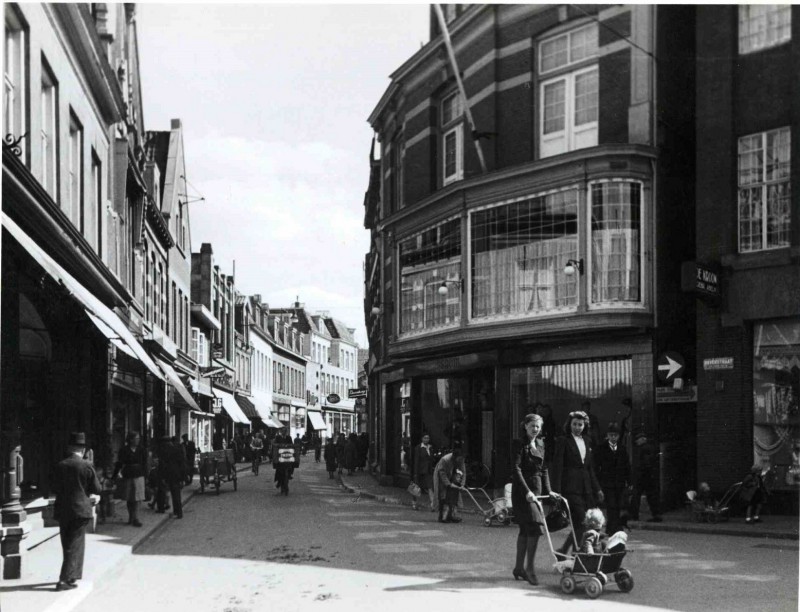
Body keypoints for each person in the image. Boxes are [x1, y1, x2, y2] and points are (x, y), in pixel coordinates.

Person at [511, 414, 561, 586]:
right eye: (532, 426)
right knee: (536, 528)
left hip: (537, 489)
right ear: (525, 426)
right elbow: (516, 469)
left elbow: (544, 469)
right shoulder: (519, 444)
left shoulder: (540, 443)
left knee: (525, 529)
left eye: (538, 427)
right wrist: (526, 492)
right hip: (522, 491)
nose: (535, 429)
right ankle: (530, 569)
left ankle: (518, 568)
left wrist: (549, 490)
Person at [550, 411, 604, 555]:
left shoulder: (587, 440)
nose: (577, 427)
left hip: (586, 488)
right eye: (574, 424)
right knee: (581, 520)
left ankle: (565, 550)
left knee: (586, 522)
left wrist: (597, 488)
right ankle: (577, 552)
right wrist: (556, 490)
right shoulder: (563, 440)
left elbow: (589, 467)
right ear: (569, 424)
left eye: (580, 424)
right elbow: (558, 466)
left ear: (585, 425)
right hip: (570, 487)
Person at [52, 432, 101, 591]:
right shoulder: (86, 465)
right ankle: (64, 579)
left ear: (69, 448)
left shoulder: (61, 465)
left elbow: (54, 487)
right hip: (80, 510)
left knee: (67, 544)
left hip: (63, 509)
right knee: (76, 545)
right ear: (84, 449)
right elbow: (96, 488)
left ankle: (72, 576)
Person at [594, 422, 630, 534]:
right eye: (611, 435)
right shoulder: (601, 448)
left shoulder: (622, 449)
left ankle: (612, 527)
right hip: (607, 482)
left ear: (619, 436)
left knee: (618, 505)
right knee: (611, 505)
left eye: (615, 435)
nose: (613, 437)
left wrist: (629, 480)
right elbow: (596, 465)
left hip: (619, 482)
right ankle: (613, 528)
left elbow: (626, 465)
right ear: (607, 435)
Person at [113, 431, 148, 527]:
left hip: (139, 474)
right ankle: (131, 516)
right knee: (130, 497)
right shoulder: (124, 450)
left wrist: (146, 476)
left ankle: (136, 518)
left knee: (137, 498)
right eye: (136, 439)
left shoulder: (142, 450)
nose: (138, 440)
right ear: (130, 439)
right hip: (128, 475)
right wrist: (114, 475)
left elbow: (145, 463)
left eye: (138, 439)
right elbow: (119, 463)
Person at [629, 432, 662, 522]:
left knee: (636, 495)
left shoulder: (643, 449)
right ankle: (656, 514)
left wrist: (638, 474)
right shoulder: (649, 447)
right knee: (651, 496)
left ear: (643, 439)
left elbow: (644, 464)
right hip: (649, 476)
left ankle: (634, 514)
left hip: (643, 476)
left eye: (638, 439)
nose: (636, 441)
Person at [432, 443, 466, 523]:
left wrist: (462, 484)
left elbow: (463, 472)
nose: (460, 460)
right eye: (459, 459)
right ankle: (442, 516)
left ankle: (451, 515)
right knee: (443, 495)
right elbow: (442, 473)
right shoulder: (445, 460)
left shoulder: (461, 460)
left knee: (454, 495)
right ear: (455, 457)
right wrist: (448, 484)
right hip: (442, 475)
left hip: (453, 475)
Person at [157, 435, 186, 518]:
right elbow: (182, 464)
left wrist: (161, 476)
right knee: (176, 494)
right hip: (176, 475)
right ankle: (178, 511)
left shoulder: (163, 451)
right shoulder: (177, 449)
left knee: (163, 491)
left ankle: (162, 508)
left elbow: (162, 465)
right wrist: (183, 477)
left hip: (167, 474)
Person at [411, 433, 435, 511]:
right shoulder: (418, 448)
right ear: (422, 439)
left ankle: (433, 504)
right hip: (420, 471)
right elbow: (416, 461)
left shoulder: (430, 448)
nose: (426, 439)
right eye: (425, 438)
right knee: (416, 487)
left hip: (428, 471)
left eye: (428, 438)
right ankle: (414, 503)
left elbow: (431, 459)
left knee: (430, 487)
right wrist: (415, 473)